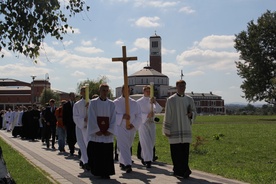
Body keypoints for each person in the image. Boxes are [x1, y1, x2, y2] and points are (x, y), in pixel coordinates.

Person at [163, 80, 196, 179]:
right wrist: (167, 130)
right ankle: (177, 170)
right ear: (176, 87)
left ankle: (185, 170)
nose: (182, 88)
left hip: (185, 128)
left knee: (185, 151)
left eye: (184, 86)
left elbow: (194, 112)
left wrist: (191, 114)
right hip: (174, 128)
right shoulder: (171, 100)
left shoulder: (189, 99)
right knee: (176, 152)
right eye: (180, 86)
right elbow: (167, 114)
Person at [87, 84, 116, 179]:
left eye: (106, 90)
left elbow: (113, 118)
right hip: (97, 134)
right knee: (97, 153)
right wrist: (96, 129)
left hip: (107, 134)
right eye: (103, 90)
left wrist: (110, 130)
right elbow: (91, 116)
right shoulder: (93, 103)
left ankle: (107, 172)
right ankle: (97, 171)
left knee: (107, 153)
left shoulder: (111, 104)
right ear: (100, 91)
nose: (105, 92)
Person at [113, 85, 142, 173]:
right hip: (121, 127)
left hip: (131, 127)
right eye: (125, 90)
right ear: (122, 91)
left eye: (128, 90)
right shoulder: (116, 102)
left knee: (128, 145)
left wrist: (133, 124)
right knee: (123, 145)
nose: (127, 92)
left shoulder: (134, 103)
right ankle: (128, 164)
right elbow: (113, 115)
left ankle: (122, 161)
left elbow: (139, 116)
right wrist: (122, 116)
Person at [137, 85, 163, 168]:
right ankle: (148, 161)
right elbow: (137, 114)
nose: (148, 93)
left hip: (151, 123)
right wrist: (146, 115)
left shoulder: (152, 100)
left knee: (152, 142)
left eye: (149, 91)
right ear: (143, 92)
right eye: (146, 91)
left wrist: (155, 102)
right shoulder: (139, 102)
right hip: (143, 123)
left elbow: (159, 109)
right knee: (145, 142)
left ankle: (144, 157)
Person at [73, 87, 90, 170]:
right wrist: (83, 121)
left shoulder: (92, 103)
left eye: (86, 91)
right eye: (83, 91)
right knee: (82, 144)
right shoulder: (77, 104)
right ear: (81, 93)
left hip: (89, 127)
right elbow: (75, 116)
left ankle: (85, 161)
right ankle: (85, 161)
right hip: (80, 127)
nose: (85, 93)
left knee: (88, 144)